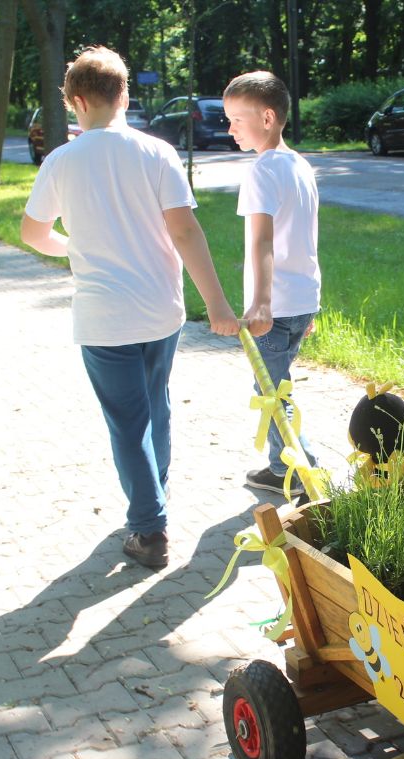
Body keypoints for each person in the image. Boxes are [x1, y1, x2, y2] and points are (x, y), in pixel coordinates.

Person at [20, 46, 240, 569]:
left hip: (102, 318)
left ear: (76, 101)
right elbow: (184, 231)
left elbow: (33, 232)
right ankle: (154, 499)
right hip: (161, 311)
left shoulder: (61, 160)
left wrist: (71, 247)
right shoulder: (156, 153)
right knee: (156, 408)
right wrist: (216, 303)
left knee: (127, 421)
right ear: (124, 95)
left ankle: (148, 528)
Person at [223, 70, 322, 496]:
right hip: (300, 301)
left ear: (267, 117)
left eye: (236, 120)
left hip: (277, 306)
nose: (229, 129)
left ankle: (302, 470)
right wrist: (310, 304)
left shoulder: (263, 171)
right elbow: (306, 238)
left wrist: (260, 303)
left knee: (272, 393)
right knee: (276, 385)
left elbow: (262, 240)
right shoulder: (299, 165)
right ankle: (280, 468)